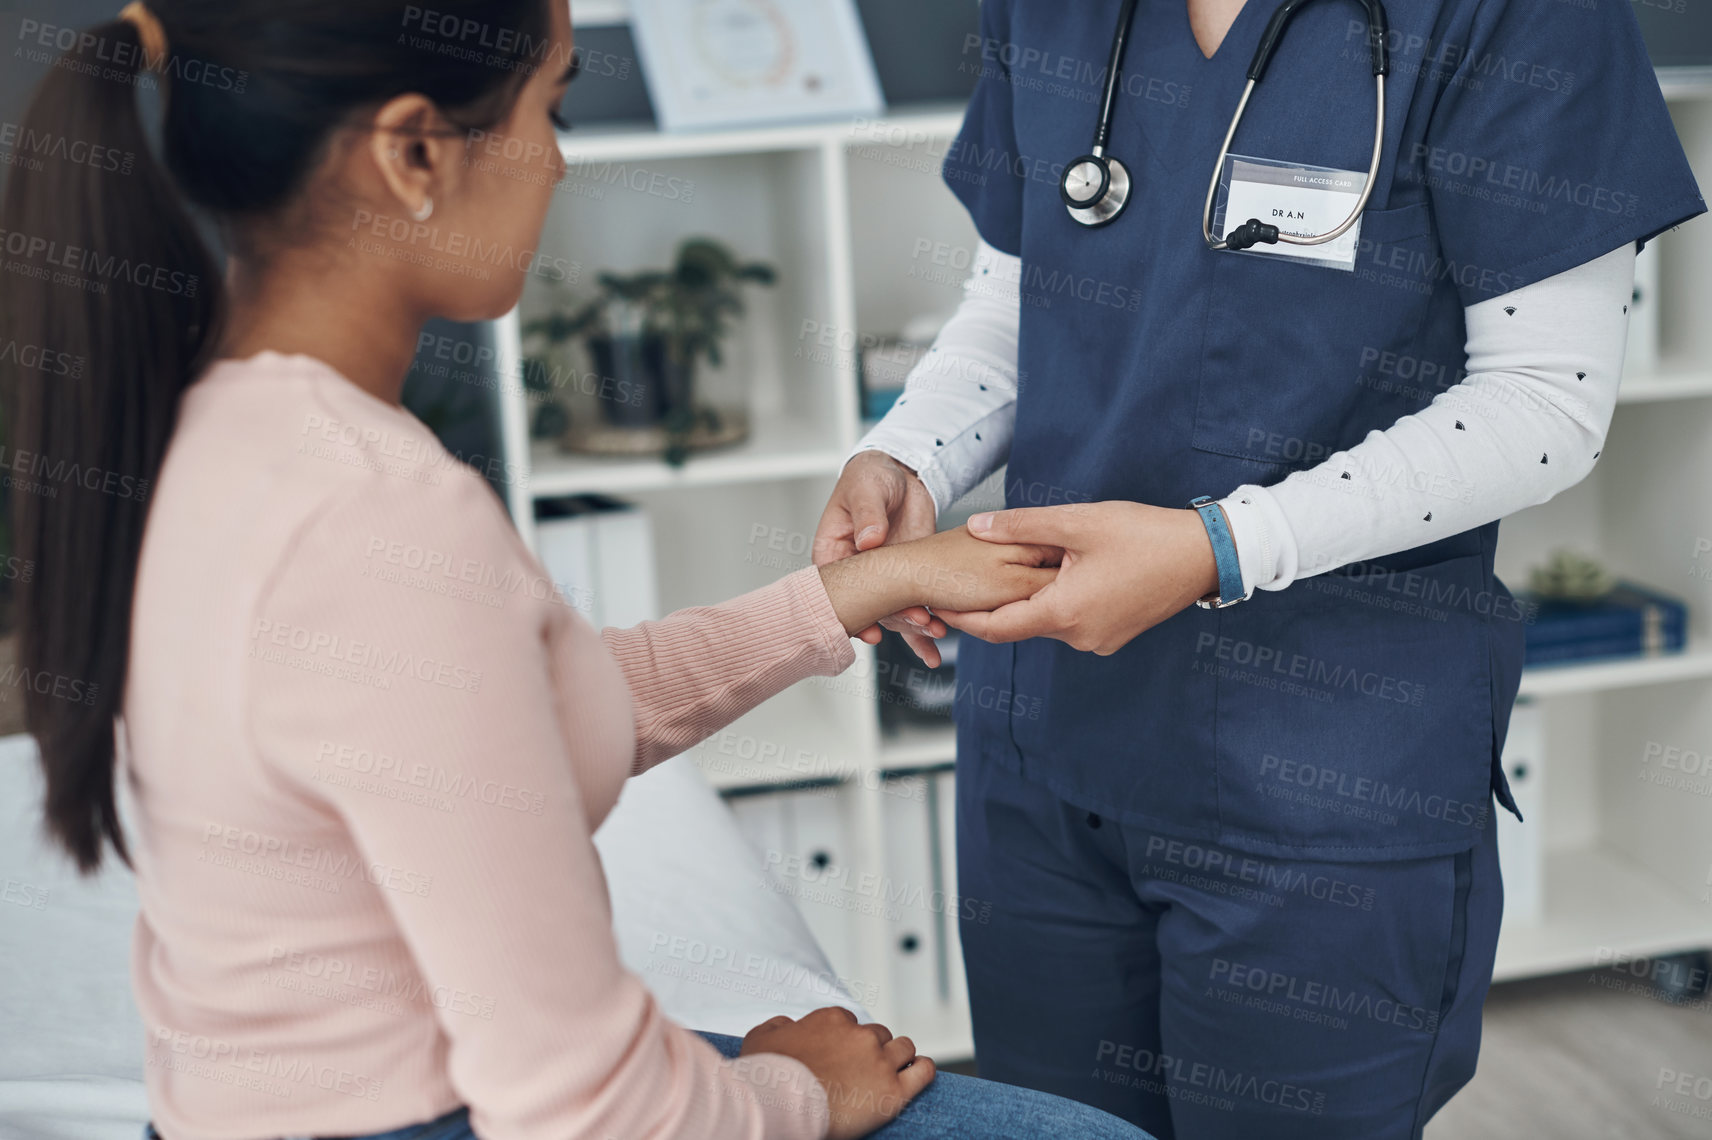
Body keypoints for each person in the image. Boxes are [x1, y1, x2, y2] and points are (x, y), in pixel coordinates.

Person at [0, 3, 1160, 1139]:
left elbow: (508, 724)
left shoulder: (211, 433)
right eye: (546, 107)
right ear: (412, 152)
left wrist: (848, 593)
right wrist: (799, 1093)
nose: (555, 161)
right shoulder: (377, 520)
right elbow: (584, 1110)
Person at [816, 0, 1705, 1136]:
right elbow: (1018, 288)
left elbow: (1543, 403)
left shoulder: (1516, 16)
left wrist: (1219, 549)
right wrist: (907, 454)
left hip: (1325, 771)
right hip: (1048, 745)